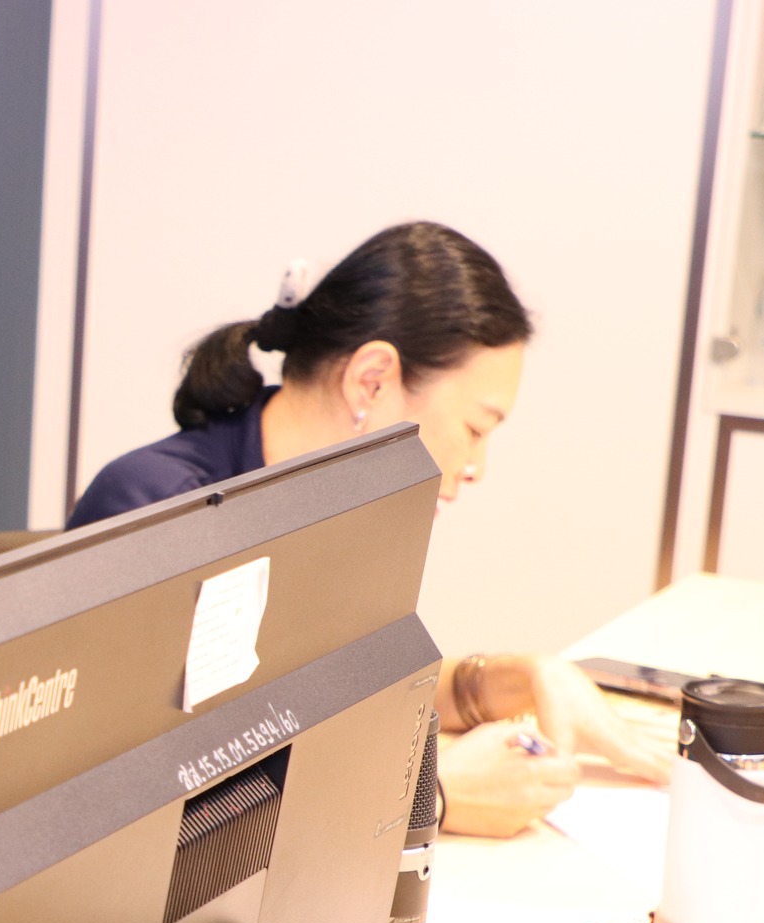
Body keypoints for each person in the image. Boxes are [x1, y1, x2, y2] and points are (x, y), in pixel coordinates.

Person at [68, 222, 669, 836]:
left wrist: (499, 683)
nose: (476, 468)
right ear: (372, 380)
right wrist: (427, 796)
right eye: (474, 429)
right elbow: (144, 820)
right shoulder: (159, 510)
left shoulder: (336, 511)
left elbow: (323, 707)